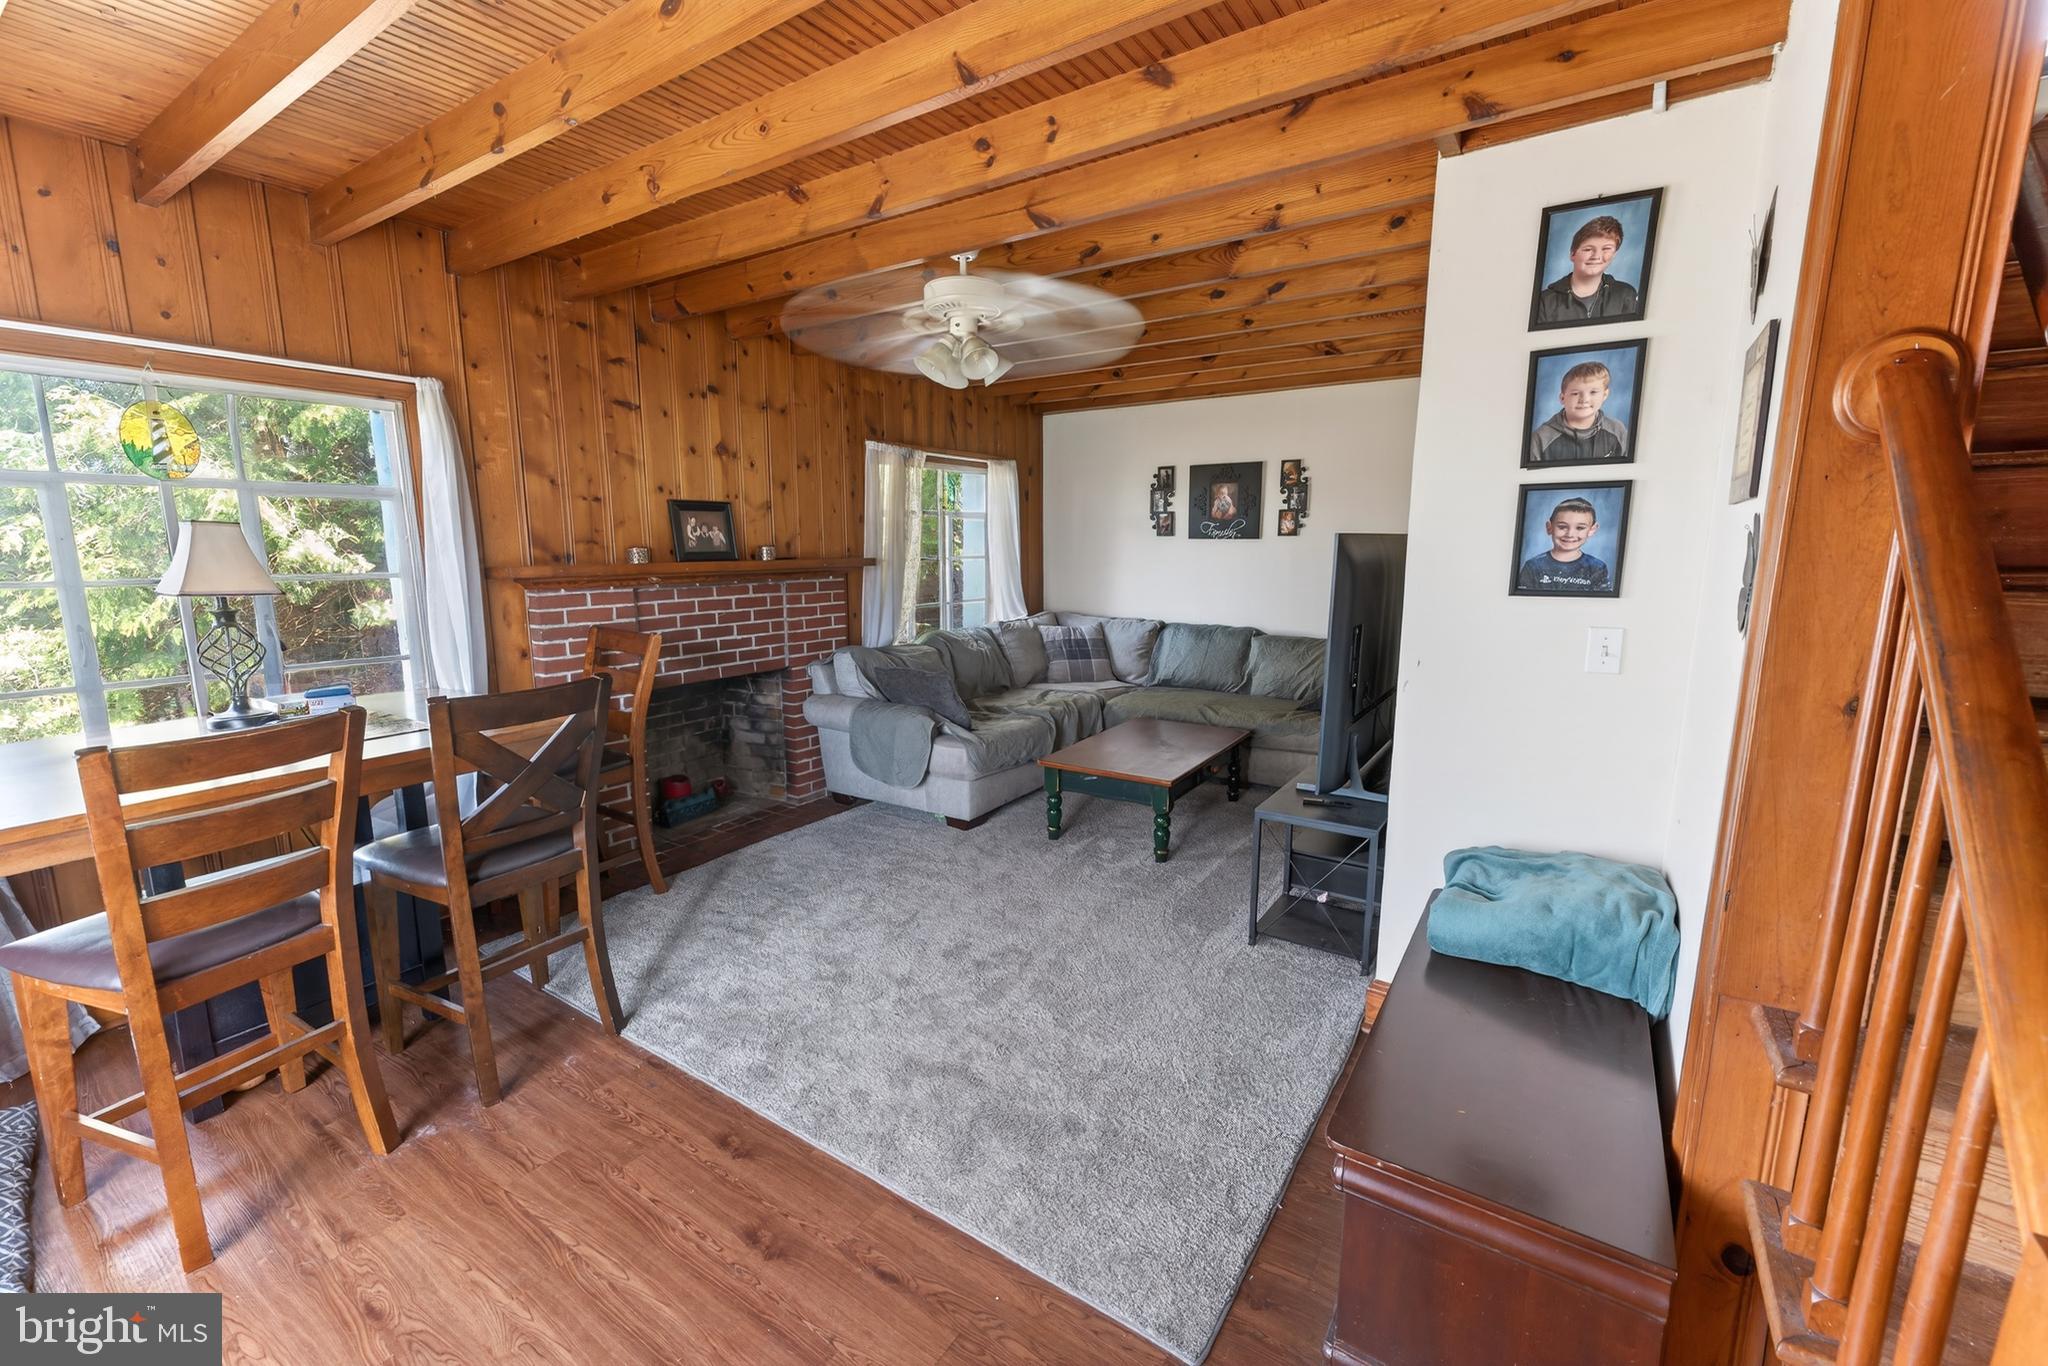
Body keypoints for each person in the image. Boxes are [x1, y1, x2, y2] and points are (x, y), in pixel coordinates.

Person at [1534, 214, 1641, 324]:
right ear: (1572, 254)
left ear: (1614, 254)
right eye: (1588, 249)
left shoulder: (1626, 295)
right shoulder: (1545, 301)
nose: (1596, 256)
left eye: (1606, 249)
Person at [1529, 361, 1630, 464]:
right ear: (1562, 398)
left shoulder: (1617, 431)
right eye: (1575, 393)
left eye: (1593, 392)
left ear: (1605, 395)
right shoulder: (1540, 439)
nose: (1584, 399)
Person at [1517, 496, 1611, 592]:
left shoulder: (1597, 568)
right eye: (1562, 527)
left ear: (1592, 530)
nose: (1570, 534)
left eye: (1580, 528)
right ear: (1549, 527)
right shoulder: (1533, 566)